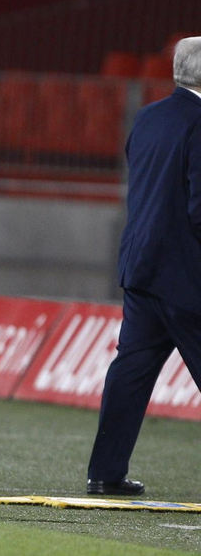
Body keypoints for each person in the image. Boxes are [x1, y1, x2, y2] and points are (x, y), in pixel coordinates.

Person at [85, 36, 201, 497]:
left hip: (141, 265)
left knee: (130, 373)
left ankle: (105, 472)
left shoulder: (149, 117)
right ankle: (106, 472)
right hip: (186, 273)